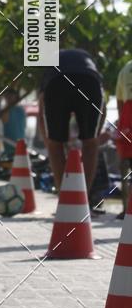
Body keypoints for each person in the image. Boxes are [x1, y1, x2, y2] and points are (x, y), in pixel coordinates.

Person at [37, 47, 105, 203]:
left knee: (55, 145)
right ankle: (83, 199)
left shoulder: (50, 67)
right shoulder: (90, 63)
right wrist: (94, 138)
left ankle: (65, 199)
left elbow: (41, 109)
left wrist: (49, 142)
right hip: (90, 82)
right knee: (90, 144)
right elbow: (103, 108)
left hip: (57, 82)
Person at [114, 58, 132, 220]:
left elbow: (120, 101)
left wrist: (123, 125)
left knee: (125, 165)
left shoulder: (126, 68)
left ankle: (126, 208)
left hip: (128, 116)